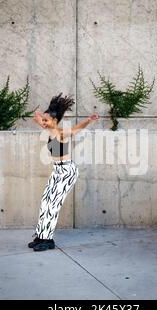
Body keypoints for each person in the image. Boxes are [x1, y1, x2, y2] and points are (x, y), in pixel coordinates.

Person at [29, 92, 99, 251]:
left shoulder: (60, 133)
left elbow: (76, 129)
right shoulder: (49, 128)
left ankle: (48, 240)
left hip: (67, 171)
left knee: (53, 205)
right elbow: (37, 119)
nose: (43, 123)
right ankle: (41, 236)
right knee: (46, 201)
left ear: (54, 121)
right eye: (44, 121)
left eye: (47, 121)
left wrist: (88, 120)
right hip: (57, 171)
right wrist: (39, 115)